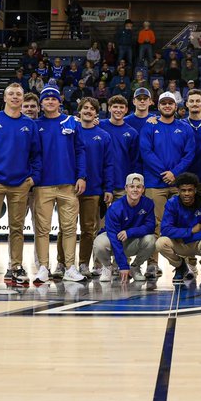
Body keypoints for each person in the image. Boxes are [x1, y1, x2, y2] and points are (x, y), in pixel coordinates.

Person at [0, 82, 42, 288]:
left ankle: (16, 266)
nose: (14, 97)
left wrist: (33, 178)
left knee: (17, 228)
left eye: (18, 94)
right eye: (11, 94)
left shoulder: (30, 125)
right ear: (4, 98)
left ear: (22, 99)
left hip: (20, 183)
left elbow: (36, 155)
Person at [31, 86, 86, 285]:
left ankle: (70, 267)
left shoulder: (71, 122)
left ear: (59, 102)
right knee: (42, 229)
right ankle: (43, 267)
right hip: (43, 185)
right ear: (41, 103)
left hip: (68, 184)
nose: (51, 102)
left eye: (54, 98)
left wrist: (82, 176)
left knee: (70, 228)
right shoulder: (35, 125)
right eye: (47, 99)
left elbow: (80, 150)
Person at [140, 92, 196, 229]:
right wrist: (165, 173)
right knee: (155, 224)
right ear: (158, 106)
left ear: (175, 106)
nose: (167, 106)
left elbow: (189, 154)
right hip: (155, 183)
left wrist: (174, 173)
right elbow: (146, 153)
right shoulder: (149, 126)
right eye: (164, 103)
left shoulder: (185, 128)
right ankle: (155, 252)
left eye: (170, 103)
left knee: (180, 222)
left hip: (179, 184)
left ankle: (177, 251)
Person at [74, 97, 116, 278]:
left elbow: (108, 164)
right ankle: (64, 263)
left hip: (93, 189)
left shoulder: (104, 136)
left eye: (92, 108)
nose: (88, 111)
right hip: (70, 188)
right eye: (85, 108)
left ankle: (91, 264)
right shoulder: (71, 132)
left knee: (89, 229)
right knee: (65, 228)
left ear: (96, 113)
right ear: (79, 111)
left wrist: (108, 188)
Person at [93, 173, 157, 283]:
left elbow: (150, 226)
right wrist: (123, 266)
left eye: (138, 187)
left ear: (143, 189)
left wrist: (129, 232)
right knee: (99, 243)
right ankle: (108, 267)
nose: (135, 190)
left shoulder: (148, 204)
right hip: (115, 240)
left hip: (133, 240)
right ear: (126, 188)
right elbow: (113, 237)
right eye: (132, 186)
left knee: (151, 240)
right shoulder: (115, 208)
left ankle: (135, 267)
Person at [156, 172, 201, 283]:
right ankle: (180, 266)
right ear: (178, 191)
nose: (187, 193)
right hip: (181, 242)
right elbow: (165, 229)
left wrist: (186, 237)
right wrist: (190, 231)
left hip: (194, 242)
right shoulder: (172, 203)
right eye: (183, 190)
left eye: (190, 190)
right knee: (160, 243)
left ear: (195, 190)